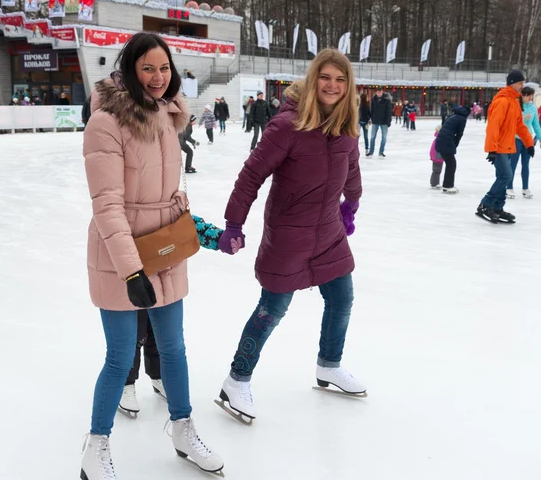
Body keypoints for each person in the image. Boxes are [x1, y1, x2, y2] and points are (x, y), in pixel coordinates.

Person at [81, 32, 224, 478]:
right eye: (148, 68)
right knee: (121, 356)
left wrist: (190, 226)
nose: (158, 77)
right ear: (130, 69)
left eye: (164, 68)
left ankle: (183, 430)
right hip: (120, 253)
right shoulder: (105, 123)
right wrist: (130, 270)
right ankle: (95, 448)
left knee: (174, 348)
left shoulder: (167, 116)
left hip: (164, 249)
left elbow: (166, 190)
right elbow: (106, 205)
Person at [215, 48, 366, 424]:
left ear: (348, 87)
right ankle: (237, 379)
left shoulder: (347, 125)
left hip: (329, 230)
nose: (332, 85)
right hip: (289, 234)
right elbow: (251, 175)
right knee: (272, 309)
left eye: (340, 79)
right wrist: (235, 223)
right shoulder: (288, 126)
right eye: (326, 77)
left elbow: (352, 168)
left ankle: (329, 364)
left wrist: (352, 203)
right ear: (315, 80)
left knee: (342, 298)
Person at [476, 70, 534, 224]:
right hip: (499, 148)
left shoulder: (514, 101)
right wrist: (492, 149)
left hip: (508, 147)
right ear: (512, 83)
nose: (523, 86)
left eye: (523, 83)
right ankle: (485, 204)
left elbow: (519, 126)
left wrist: (529, 143)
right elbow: (493, 126)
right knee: (506, 177)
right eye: (520, 83)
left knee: (503, 177)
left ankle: (497, 208)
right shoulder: (502, 101)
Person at [507, 86, 541, 199]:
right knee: (512, 164)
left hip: (528, 140)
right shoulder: (516, 105)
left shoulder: (533, 108)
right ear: (522, 95)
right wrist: (523, 117)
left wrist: (540, 137)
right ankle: (509, 187)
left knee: (526, 165)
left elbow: (536, 124)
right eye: (528, 95)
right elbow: (511, 120)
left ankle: (525, 188)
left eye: (531, 95)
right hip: (516, 138)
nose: (530, 97)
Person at [435, 105, 469, 194]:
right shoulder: (462, 119)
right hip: (446, 142)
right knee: (451, 164)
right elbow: (459, 134)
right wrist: (455, 145)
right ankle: (448, 185)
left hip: (441, 141)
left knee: (450, 164)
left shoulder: (452, 116)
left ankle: (447, 184)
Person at [367, 87, 392, 157]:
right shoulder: (373, 99)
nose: (379, 93)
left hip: (384, 122)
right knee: (372, 137)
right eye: (378, 92)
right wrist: (370, 118)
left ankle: (381, 152)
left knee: (384, 137)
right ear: (376, 92)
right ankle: (371, 152)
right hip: (375, 121)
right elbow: (371, 110)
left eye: (380, 92)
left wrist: (388, 121)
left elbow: (389, 112)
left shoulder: (387, 100)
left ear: (382, 92)